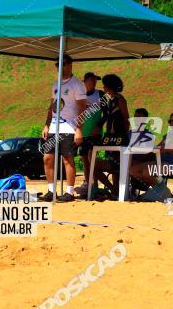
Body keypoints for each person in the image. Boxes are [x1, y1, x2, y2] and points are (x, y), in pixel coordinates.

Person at [40, 54, 87, 203]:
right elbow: (51, 106)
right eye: (57, 65)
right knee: (47, 158)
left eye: (63, 64)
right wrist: (47, 124)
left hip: (69, 127)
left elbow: (82, 109)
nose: (60, 67)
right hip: (54, 126)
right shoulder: (55, 84)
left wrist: (79, 129)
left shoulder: (77, 85)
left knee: (67, 159)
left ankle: (69, 192)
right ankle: (51, 191)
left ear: (70, 65)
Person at [131, 111, 173, 202]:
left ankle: (161, 190)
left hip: (172, 165)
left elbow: (169, 148)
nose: (171, 123)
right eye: (169, 121)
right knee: (132, 170)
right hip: (160, 160)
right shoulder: (168, 135)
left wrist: (160, 148)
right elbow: (159, 148)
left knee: (146, 171)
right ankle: (162, 189)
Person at [91, 74, 130, 198]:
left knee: (117, 165)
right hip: (110, 137)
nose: (103, 88)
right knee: (109, 165)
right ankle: (113, 189)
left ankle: (118, 191)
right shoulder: (109, 100)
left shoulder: (120, 99)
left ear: (110, 87)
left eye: (105, 86)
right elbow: (107, 118)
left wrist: (124, 136)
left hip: (120, 136)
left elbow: (126, 118)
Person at [75, 71, 103, 199]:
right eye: (92, 81)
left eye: (95, 81)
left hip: (95, 133)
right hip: (82, 133)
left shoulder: (100, 95)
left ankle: (95, 185)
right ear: (84, 81)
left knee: (92, 159)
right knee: (85, 160)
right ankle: (89, 184)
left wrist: (100, 125)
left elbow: (108, 113)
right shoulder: (78, 94)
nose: (94, 83)